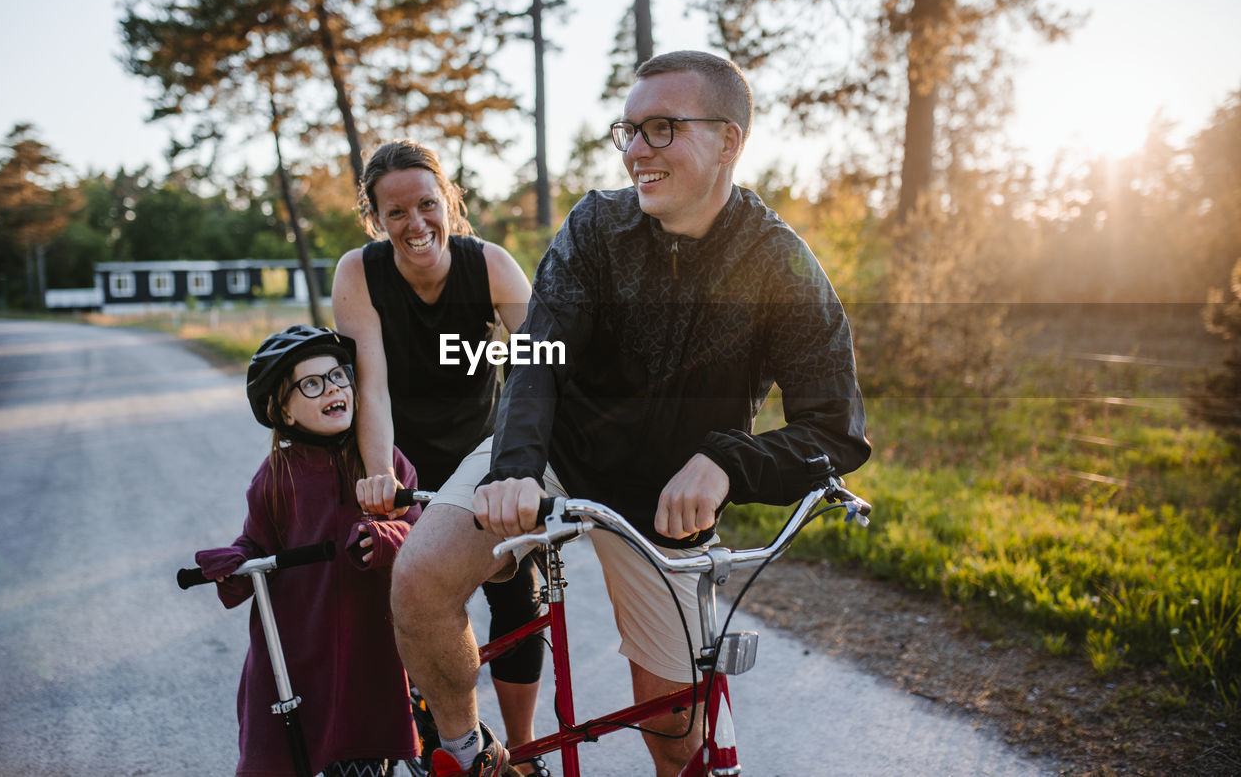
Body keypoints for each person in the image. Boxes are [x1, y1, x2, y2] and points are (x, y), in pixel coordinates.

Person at [390, 50, 872, 777]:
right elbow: (537, 355)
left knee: (677, 731)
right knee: (420, 577)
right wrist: (516, 468)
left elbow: (835, 431)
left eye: (660, 129)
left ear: (727, 142)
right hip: (553, 452)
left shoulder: (783, 267)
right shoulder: (595, 228)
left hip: (669, 495)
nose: (636, 152)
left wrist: (726, 461)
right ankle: (464, 752)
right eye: (628, 131)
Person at [331, 141, 546, 777]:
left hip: (484, 452)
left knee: (517, 597)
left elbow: (544, 366)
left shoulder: (492, 267)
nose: (415, 223)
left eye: (427, 204)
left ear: (448, 201)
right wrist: (380, 475)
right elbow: (371, 384)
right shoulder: (358, 273)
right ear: (375, 219)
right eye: (395, 212)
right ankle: (437, 739)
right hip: (400, 459)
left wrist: (529, 460)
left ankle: (522, 754)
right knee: (413, 597)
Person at [195, 325, 421, 777]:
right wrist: (235, 565)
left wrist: (384, 539)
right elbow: (257, 544)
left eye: (339, 377)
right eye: (313, 384)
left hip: (367, 642)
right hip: (299, 647)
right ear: (285, 411)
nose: (334, 389)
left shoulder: (383, 463)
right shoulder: (275, 477)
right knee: (283, 748)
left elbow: (417, 533)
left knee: (364, 741)